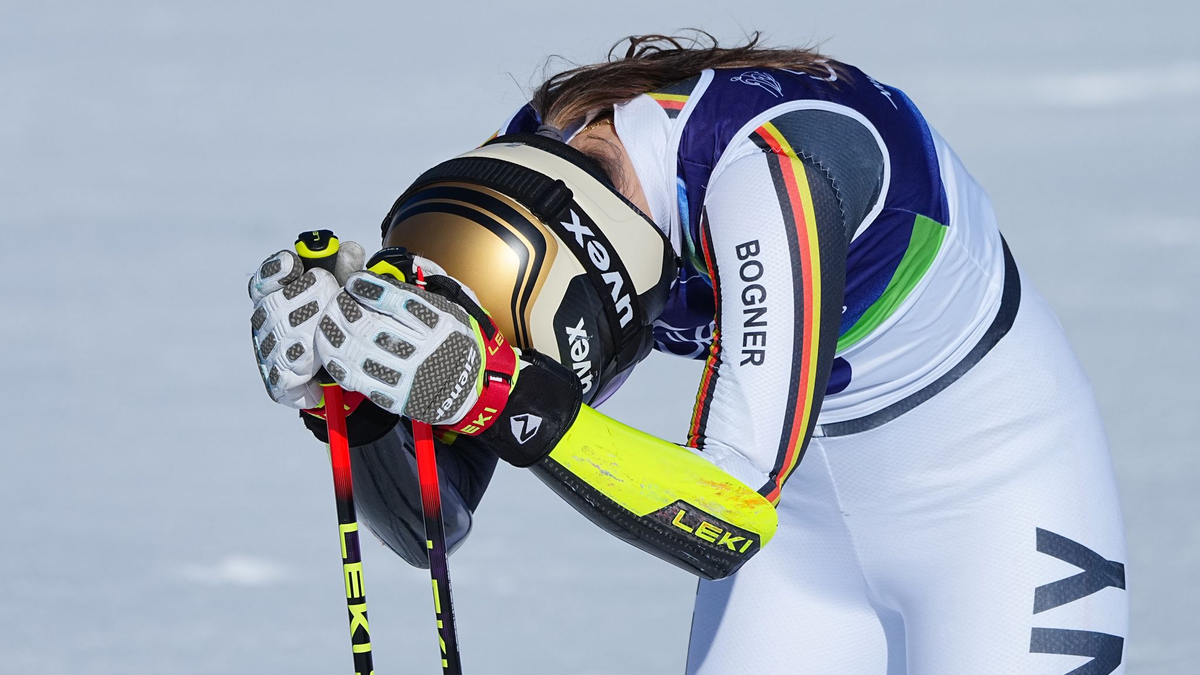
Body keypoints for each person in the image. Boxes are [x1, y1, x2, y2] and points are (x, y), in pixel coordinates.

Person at [248, 33, 1129, 674]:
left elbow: (729, 513)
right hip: (801, 538)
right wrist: (352, 396)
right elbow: (432, 523)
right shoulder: (532, 175)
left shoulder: (768, 169)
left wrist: (497, 394)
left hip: (995, 502)